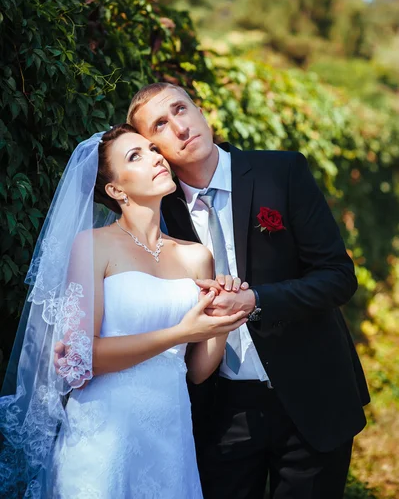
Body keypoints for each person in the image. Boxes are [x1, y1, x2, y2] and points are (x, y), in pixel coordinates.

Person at [123, 82, 370, 499]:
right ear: (154, 150)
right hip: (222, 409)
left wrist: (257, 301)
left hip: (311, 394)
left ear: (201, 111)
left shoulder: (282, 172)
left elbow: (337, 276)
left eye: (181, 110)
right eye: (161, 125)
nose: (180, 128)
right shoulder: (157, 210)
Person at [0, 124, 248, 499]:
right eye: (136, 156)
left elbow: (196, 371)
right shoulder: (93, 246)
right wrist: (182, 332)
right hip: (103, 434)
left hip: (170, 432)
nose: (155, 158)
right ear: (116, 190)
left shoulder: (197, 256)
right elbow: (83, 359)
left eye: (152, 149)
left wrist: (225, 320)